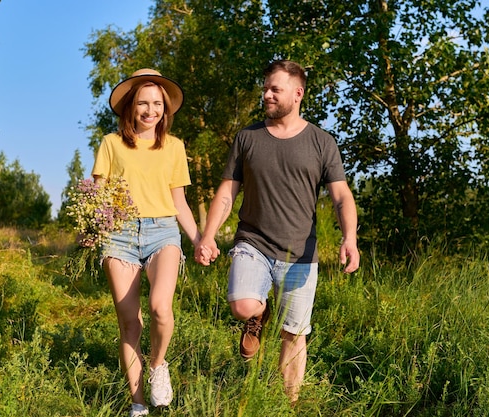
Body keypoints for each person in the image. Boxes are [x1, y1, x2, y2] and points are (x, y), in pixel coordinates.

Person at [195, 60, 360, 404]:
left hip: (301, 253)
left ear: (298, 94)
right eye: (265, 89)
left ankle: (289, 405)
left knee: (293, 334)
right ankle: (257, 316)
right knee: (243, 306)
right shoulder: (248, 137)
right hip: (252, 242)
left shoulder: (321, 141)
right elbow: (227, 193)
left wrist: (350, 238)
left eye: (275, 90)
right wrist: (208, 235)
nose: (266, 95)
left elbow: (342, 196)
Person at [92, 68, 202, 417]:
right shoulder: (111, 143)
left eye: (157, 103)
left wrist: (200, 239)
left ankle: (158, 365)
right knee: (129, 323)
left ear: (165, 109)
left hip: (162, 232)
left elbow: (179, 201)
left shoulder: (174, 147)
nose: (150, 110)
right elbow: (97, 193)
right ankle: (137, 404)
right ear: (130, 107)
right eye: (143, 103)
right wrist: (92, 224)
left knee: (160, 308)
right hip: (119, 235)